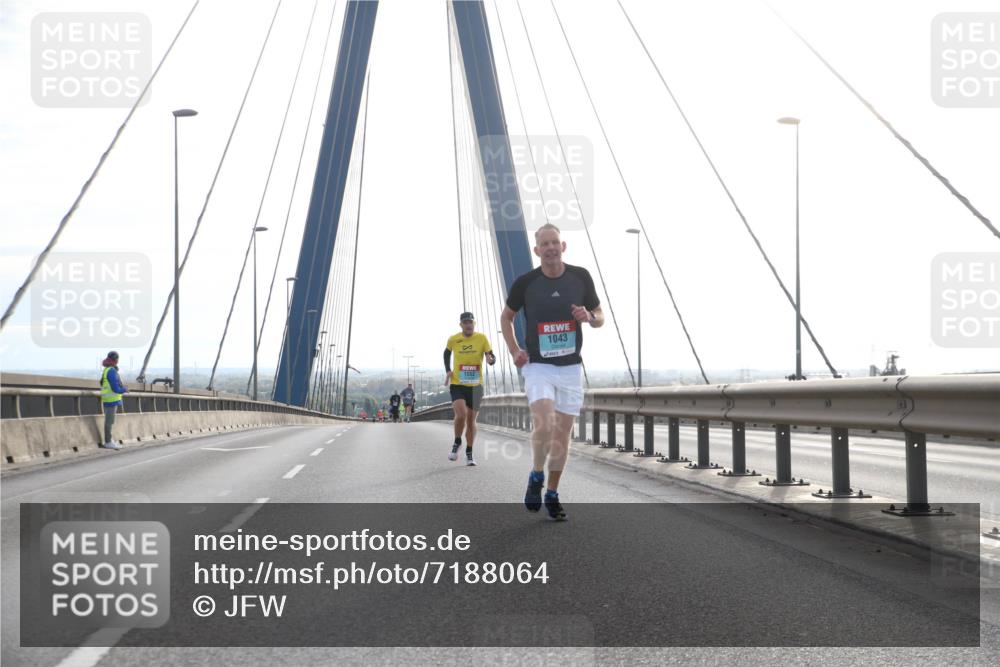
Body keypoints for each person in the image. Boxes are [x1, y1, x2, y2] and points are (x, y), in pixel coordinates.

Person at [500, 223, 603, 520]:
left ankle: (553, 493)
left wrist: (589, 317)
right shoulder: (525, 282)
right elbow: (506, 317)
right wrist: (514, 350)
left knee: (562, 435)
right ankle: (536, 475)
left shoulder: (580, 277)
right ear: (536, 250)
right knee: (544, 423)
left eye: (554, 242)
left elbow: (600, 316)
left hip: (570, 367)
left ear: (563, 246)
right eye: (544, 243)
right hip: (538, 366)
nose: (550, 247)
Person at [444, 311, 496, 466]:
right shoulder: (454, 339)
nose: (468, 325)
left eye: (470, 322)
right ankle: (457, 442)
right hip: (458, 383)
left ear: (474, 324)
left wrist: (490, 360)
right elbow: (446, 354)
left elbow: (491, 356)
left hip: (475, 386)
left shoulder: (482, 338)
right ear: (461, 325)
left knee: (471, 420)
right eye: (465, 322)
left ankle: (469, 453)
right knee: (461, 414)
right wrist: (448, 370)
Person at [99, 351, 128, 450]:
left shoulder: (106, 369)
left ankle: (109, 441)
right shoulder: (112, 371)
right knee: (109, 422)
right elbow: (116, 389)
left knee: (109, 421)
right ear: (116, 360)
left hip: (107, 399)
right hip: (111, 400)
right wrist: (125, 389)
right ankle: (108, 442)